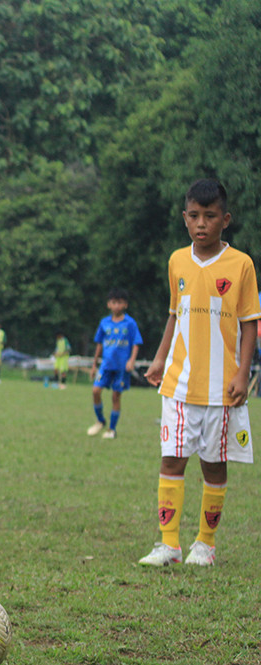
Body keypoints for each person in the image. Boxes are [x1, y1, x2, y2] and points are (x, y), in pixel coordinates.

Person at [139, 179, 260, 567]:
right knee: (171, 460)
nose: (201, 224)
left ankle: (205, 545)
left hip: (221, 388)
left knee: (213, 465)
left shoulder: (241, 264)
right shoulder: (177, 260)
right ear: (185, 218)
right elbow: (175, 314)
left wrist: (243, 373)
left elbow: (249, 323)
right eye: (194, 216)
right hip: (179, 383)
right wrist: (159, 358)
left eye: (210, 216)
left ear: (225, 219)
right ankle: (169, 544)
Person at [86, 288, 142, 439]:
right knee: (95, 391)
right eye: (113, 302)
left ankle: (111, 430)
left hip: (122, 366)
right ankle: (100, 421)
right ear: (108, 304)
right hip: (106, 365)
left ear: (125, 305)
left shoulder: (130, 323)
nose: (116, 305)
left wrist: (132, 360)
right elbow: (99, 344)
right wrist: (94, 364)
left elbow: (136, 343)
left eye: (120, 302)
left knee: (116, 397)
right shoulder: (104, 323)